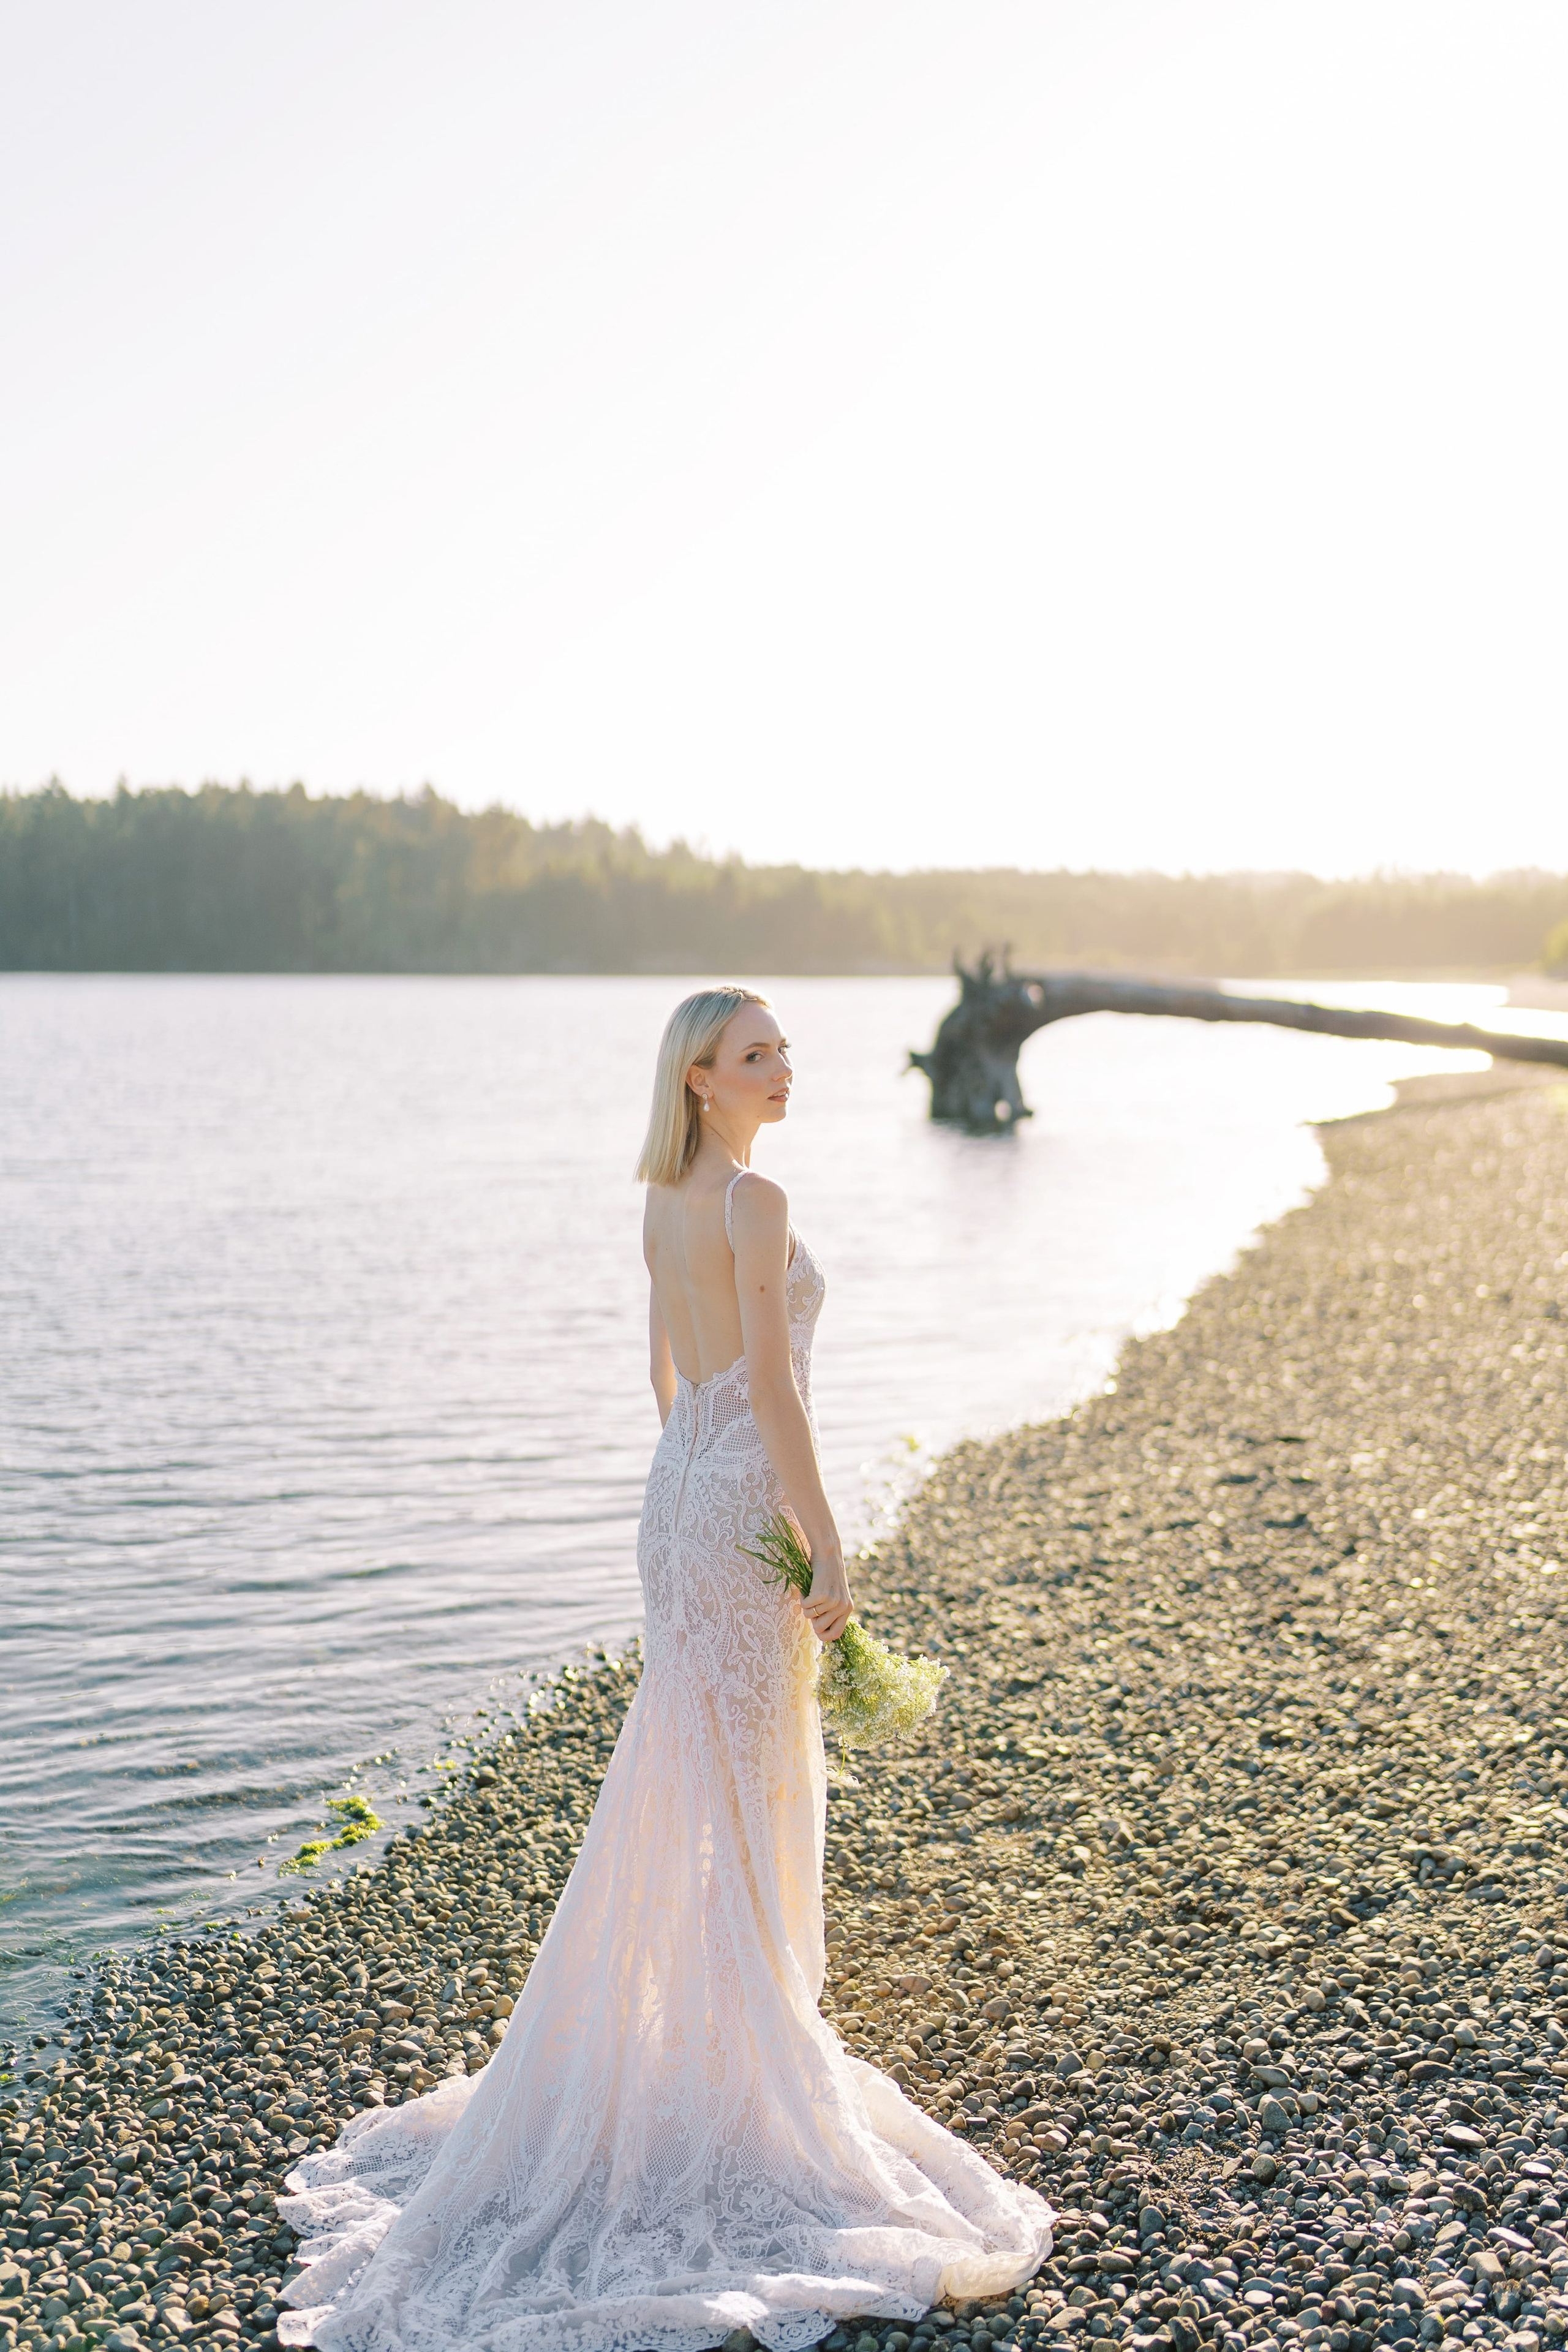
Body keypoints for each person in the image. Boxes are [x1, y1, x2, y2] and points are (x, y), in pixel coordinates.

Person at [278, 986, 1052, 2352]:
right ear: (699, 1078)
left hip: (677, 1493)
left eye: (783, 1048)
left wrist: (692, 1486)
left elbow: (669, 1373)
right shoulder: (753, 1203)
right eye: (756, 1054)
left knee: (693, 1768)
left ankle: (705, 2031)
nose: (782, 1067)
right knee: (744, 1783)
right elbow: (774, 1388)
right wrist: (822, 1540)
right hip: (737, 1491)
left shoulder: (661, 1194)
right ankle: (744, 2057)